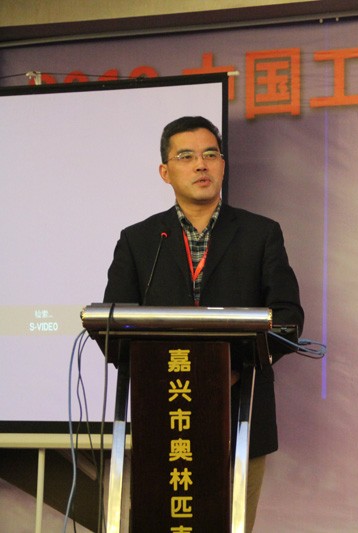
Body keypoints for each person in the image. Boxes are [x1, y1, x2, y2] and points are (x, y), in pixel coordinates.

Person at [102, 115, 304, 531]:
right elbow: (111, 325)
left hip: (239, 415)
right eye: (186, 156)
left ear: (223, 165)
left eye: (211, 154)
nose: (201, 164)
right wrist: (158, 371)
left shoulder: (261, 234)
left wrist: (233, 368)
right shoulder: (139, 240)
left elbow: (287, 319)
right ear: (165, 172)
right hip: (162, 416)